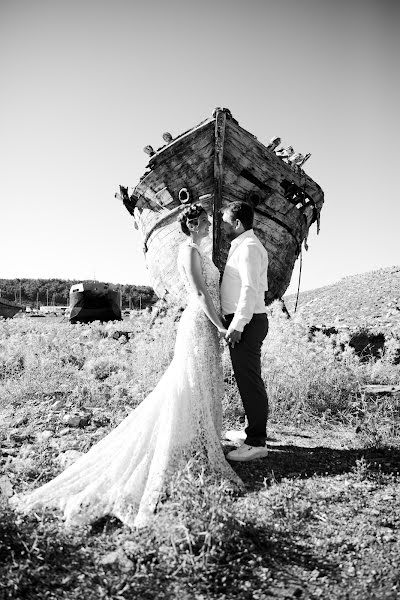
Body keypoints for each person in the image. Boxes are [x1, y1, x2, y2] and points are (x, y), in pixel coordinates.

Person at [10, 203, 241, 529]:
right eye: (204, 221)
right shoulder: (188, 251)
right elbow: (201, 293)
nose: (209, 226)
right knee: (188, 381)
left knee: (203, 379)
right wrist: (220, 326)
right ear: (192, 225)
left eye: (208, 221)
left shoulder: (201, 251)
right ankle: (183, 440)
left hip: (207, 324)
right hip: (200, 322)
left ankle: (200, 438)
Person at [220, 201, 270, 462]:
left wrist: (237, 325)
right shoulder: (243, 246)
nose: (223, 226)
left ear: (237, 223)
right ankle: (252, 431)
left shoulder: (249, 248)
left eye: (226, 222)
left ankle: (257, 442)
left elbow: (250, 289)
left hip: (247, 323)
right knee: (245, 378)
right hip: (247, 321)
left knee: (250, 381)